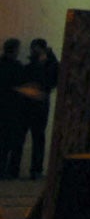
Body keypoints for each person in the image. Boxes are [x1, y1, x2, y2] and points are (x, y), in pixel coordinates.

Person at [21, 39, 57, 180]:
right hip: (39, 105)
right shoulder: (49, 65)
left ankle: (25, 169)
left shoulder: (33, 66)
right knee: (37, 139)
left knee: (27, 138)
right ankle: (36, 170)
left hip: (30, 105)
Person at [0, 40, 24, 180]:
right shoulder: (17, 67)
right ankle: (12, 171)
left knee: (2, 142)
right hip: (14, 109)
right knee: (13, 142)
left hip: (3, 107)